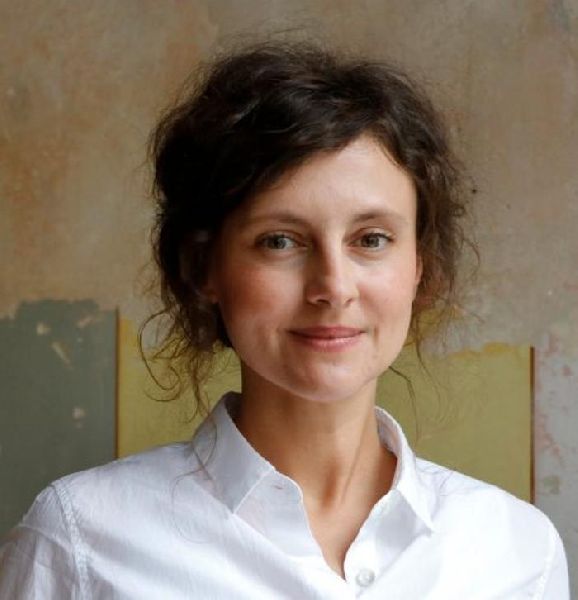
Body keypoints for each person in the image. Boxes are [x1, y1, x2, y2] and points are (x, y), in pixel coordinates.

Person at [0, 40, 570, 599]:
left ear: (419, 266)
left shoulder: (516, 551)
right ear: (203, 267)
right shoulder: (79, 541)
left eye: (371, 239)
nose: (333, 287)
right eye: (280, 241)